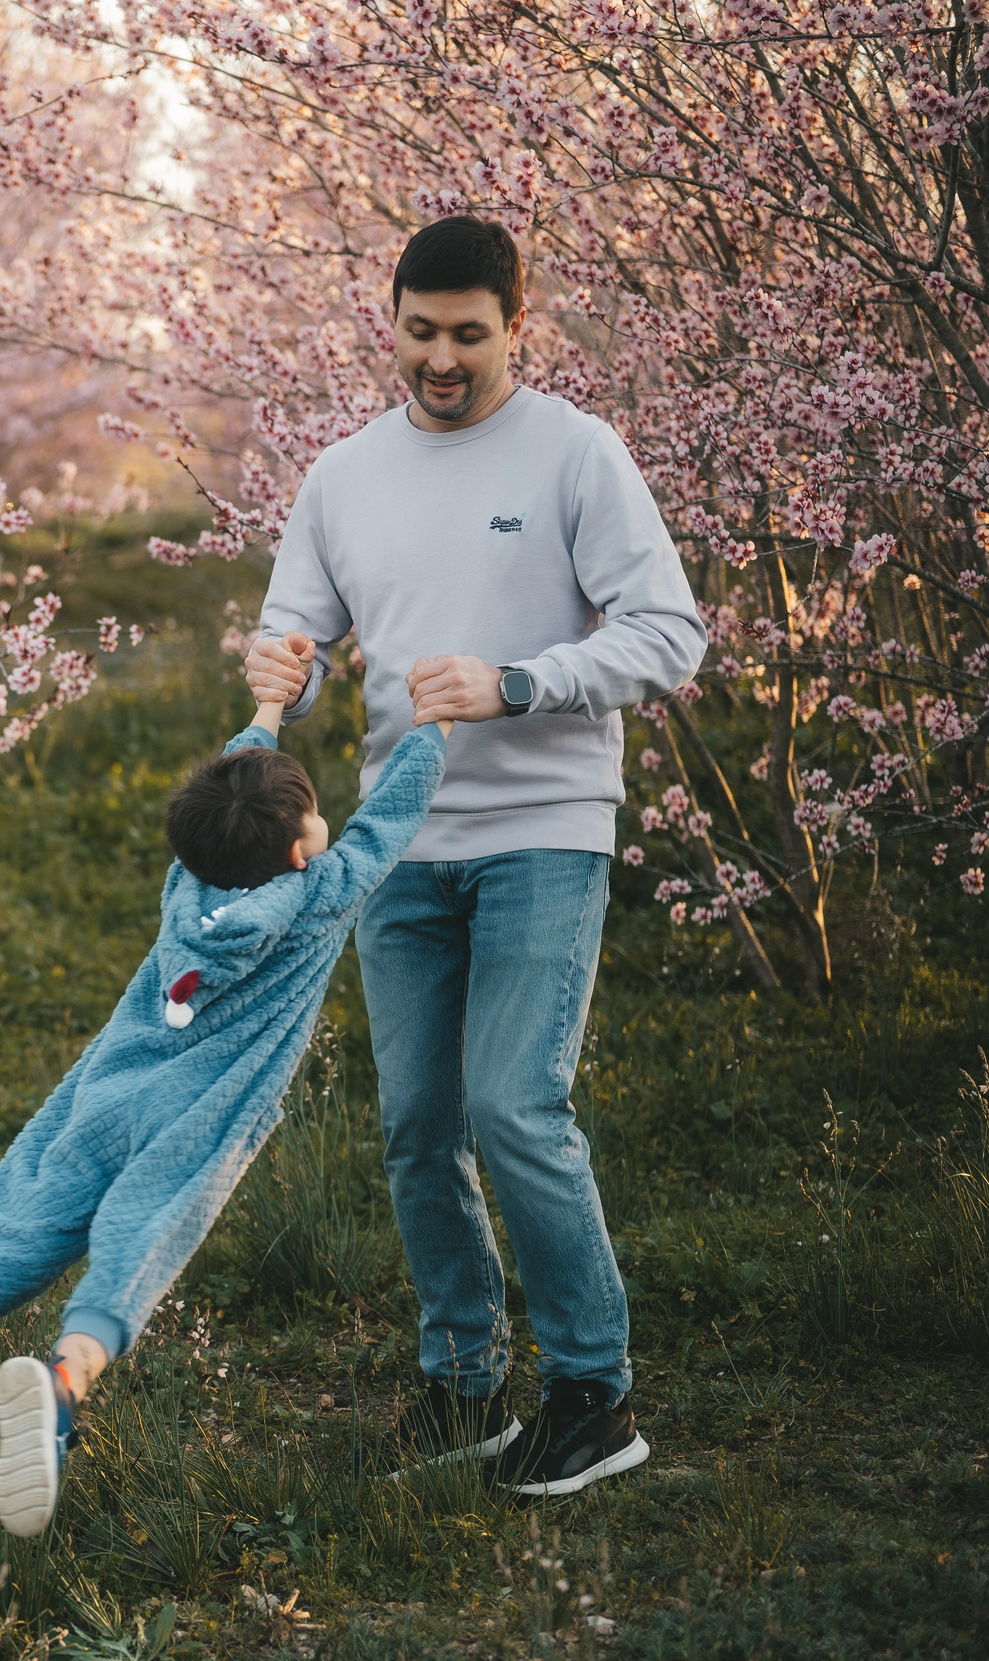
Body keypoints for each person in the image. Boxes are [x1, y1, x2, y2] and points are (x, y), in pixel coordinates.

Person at [246, 215, 706, 1498]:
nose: (439, 359)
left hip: (543, 828)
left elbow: (670, 634)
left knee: (514, 1102)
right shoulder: (342, 474)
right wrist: (277, 660)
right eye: (419, 331)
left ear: (517, 325)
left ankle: (592, 1391)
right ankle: (463, 1386)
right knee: (416, 1126)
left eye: (467, 334)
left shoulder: (575, 453)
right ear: (389, 319)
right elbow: (298, 616)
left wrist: (516, 682)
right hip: (400, 839)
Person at [0, 690, 450, 1537]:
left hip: (111, 1085)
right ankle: (61, 1382)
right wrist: (438, 723)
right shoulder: (322, 890)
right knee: (143, 1231)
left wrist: (267, 708)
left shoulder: (187, 883)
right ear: (300, 849)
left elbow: (226, 798)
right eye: (314, 815)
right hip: (202, 1107)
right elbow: (390, 818)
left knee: (26, 1212)